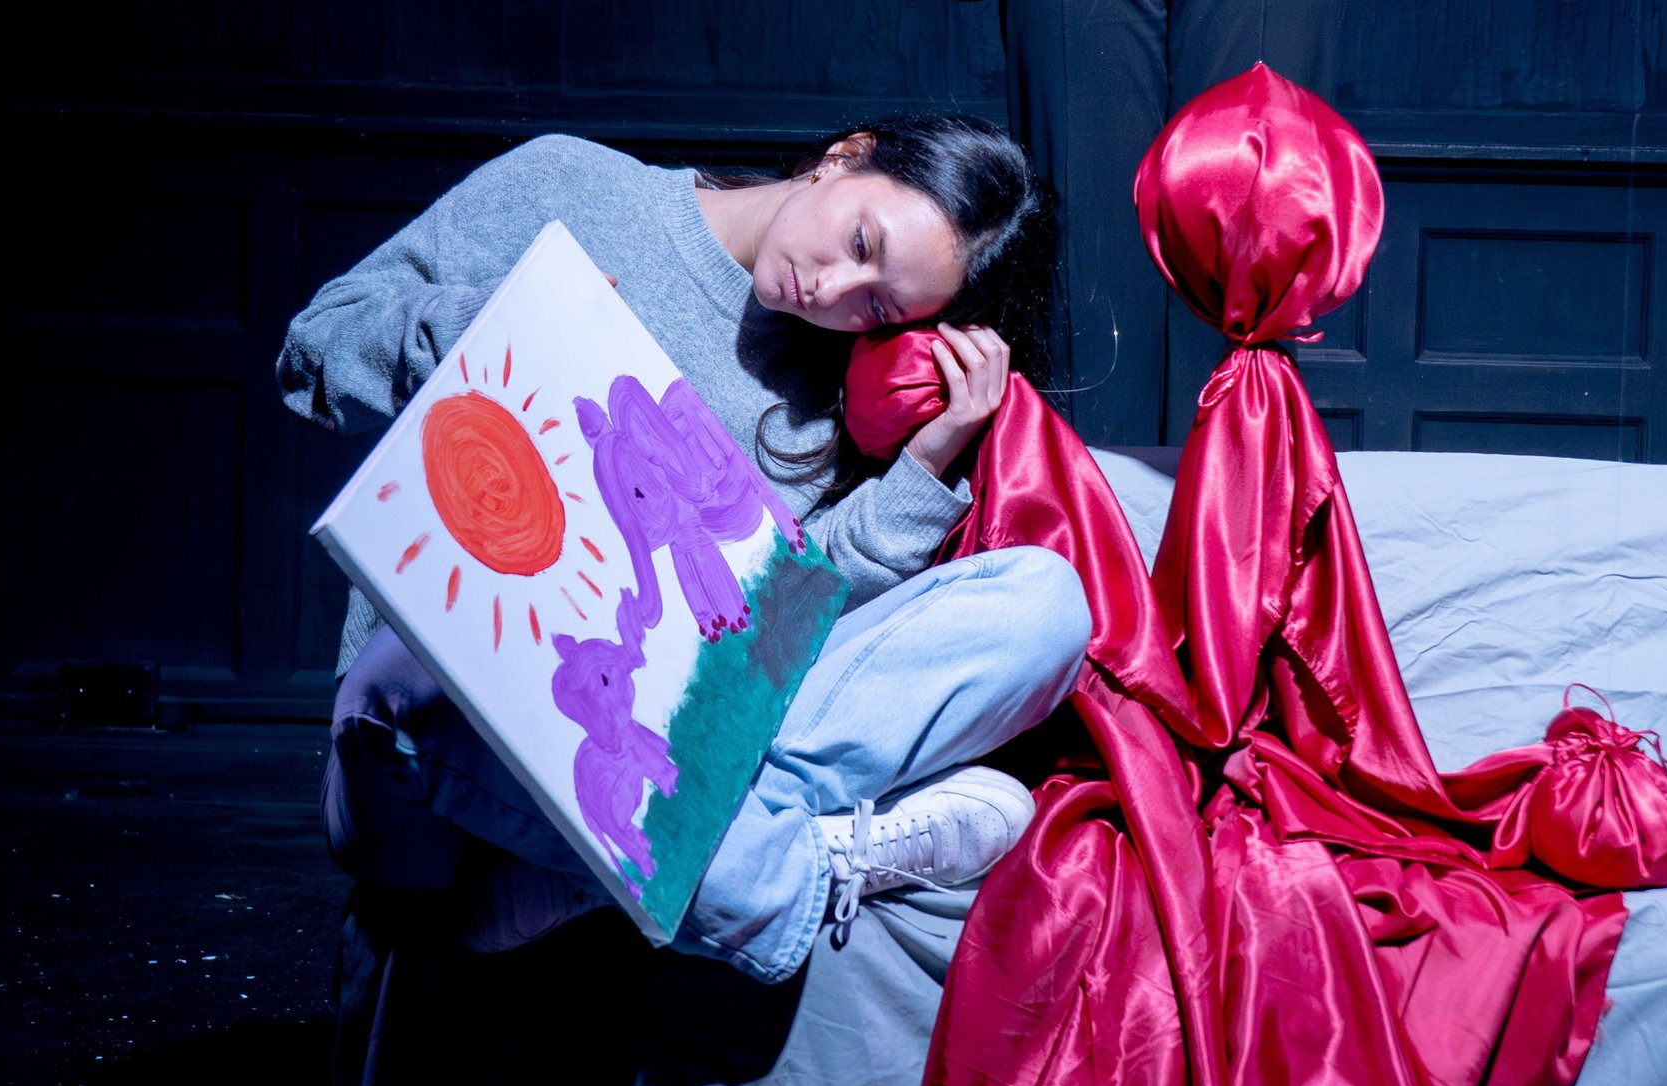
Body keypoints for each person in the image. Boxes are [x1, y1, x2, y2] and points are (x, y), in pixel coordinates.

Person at [277, 115, 1092, 984]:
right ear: (845, 156)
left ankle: (604, 870)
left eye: (880, 307)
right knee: (414, 667)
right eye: (861, 242)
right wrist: (493, 322)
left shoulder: (834, 394)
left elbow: (780, 638)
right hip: (441, 735)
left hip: (660, 739)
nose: (835, 290)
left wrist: (924, 465)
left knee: (1045, 602)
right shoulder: (569, 184)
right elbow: (312, 355)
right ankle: (783, 875)